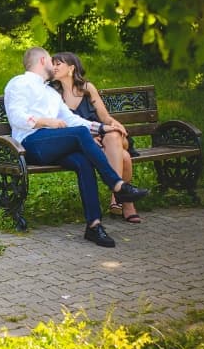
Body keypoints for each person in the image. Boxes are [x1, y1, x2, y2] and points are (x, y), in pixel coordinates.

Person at [3, 46, 148, 247]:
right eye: (51, 61)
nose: (54, 65)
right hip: (30, 143)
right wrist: (46, 121)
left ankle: (94, 225)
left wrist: (102, 128)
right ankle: (117, 185)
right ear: (43, 61)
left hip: (53, 143)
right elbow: (17, 117)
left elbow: (72, 120)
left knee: (83, 162)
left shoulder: (51, 93)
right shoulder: (19, 83)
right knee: (80, 135)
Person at [49, 51, 141, 223]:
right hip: (82, 140)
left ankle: (117, 194)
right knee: (125, 157)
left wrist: (113, 124)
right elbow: (62, 125)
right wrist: (89, 137)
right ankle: (124, 201)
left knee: (114, 136)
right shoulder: (52, 93)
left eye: (58, 64)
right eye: (52, 64)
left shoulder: (87, 88)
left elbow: (104, 117)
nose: (53, 67)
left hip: (103, 135)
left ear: (71, 68)